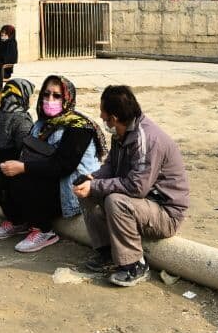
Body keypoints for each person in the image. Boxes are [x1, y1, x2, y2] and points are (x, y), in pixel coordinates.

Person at [74, 85, 189, 287]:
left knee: (115, 201)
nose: (101, 116)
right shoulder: (121, 133)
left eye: (103, 112)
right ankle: (106, 253)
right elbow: (110, 166)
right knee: (87, 190)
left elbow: (136, 187)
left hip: (165, 213)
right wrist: (92, 178)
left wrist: (96, 186)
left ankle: (134, 265)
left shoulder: (147, 140)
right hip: (142, 204)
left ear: (115, 117)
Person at [0, 75, 104, 254]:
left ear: (67, 98)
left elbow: (63, 166)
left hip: (70, 189)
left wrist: (23, 168)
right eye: (46, 94)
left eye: (57, 96)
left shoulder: (79, 127)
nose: (50, 100)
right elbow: (27, 153)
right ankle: (19, 221)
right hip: (47, 177)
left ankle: (44, 230)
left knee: (21, 179)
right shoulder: (42, 123)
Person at [0, 77, 36, 227]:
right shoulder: (21, 121)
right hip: (4, 183)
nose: (33, 99)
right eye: (32, 95)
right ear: (24, 96)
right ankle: (23, 223)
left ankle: (14, 221)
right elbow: (27, 153)